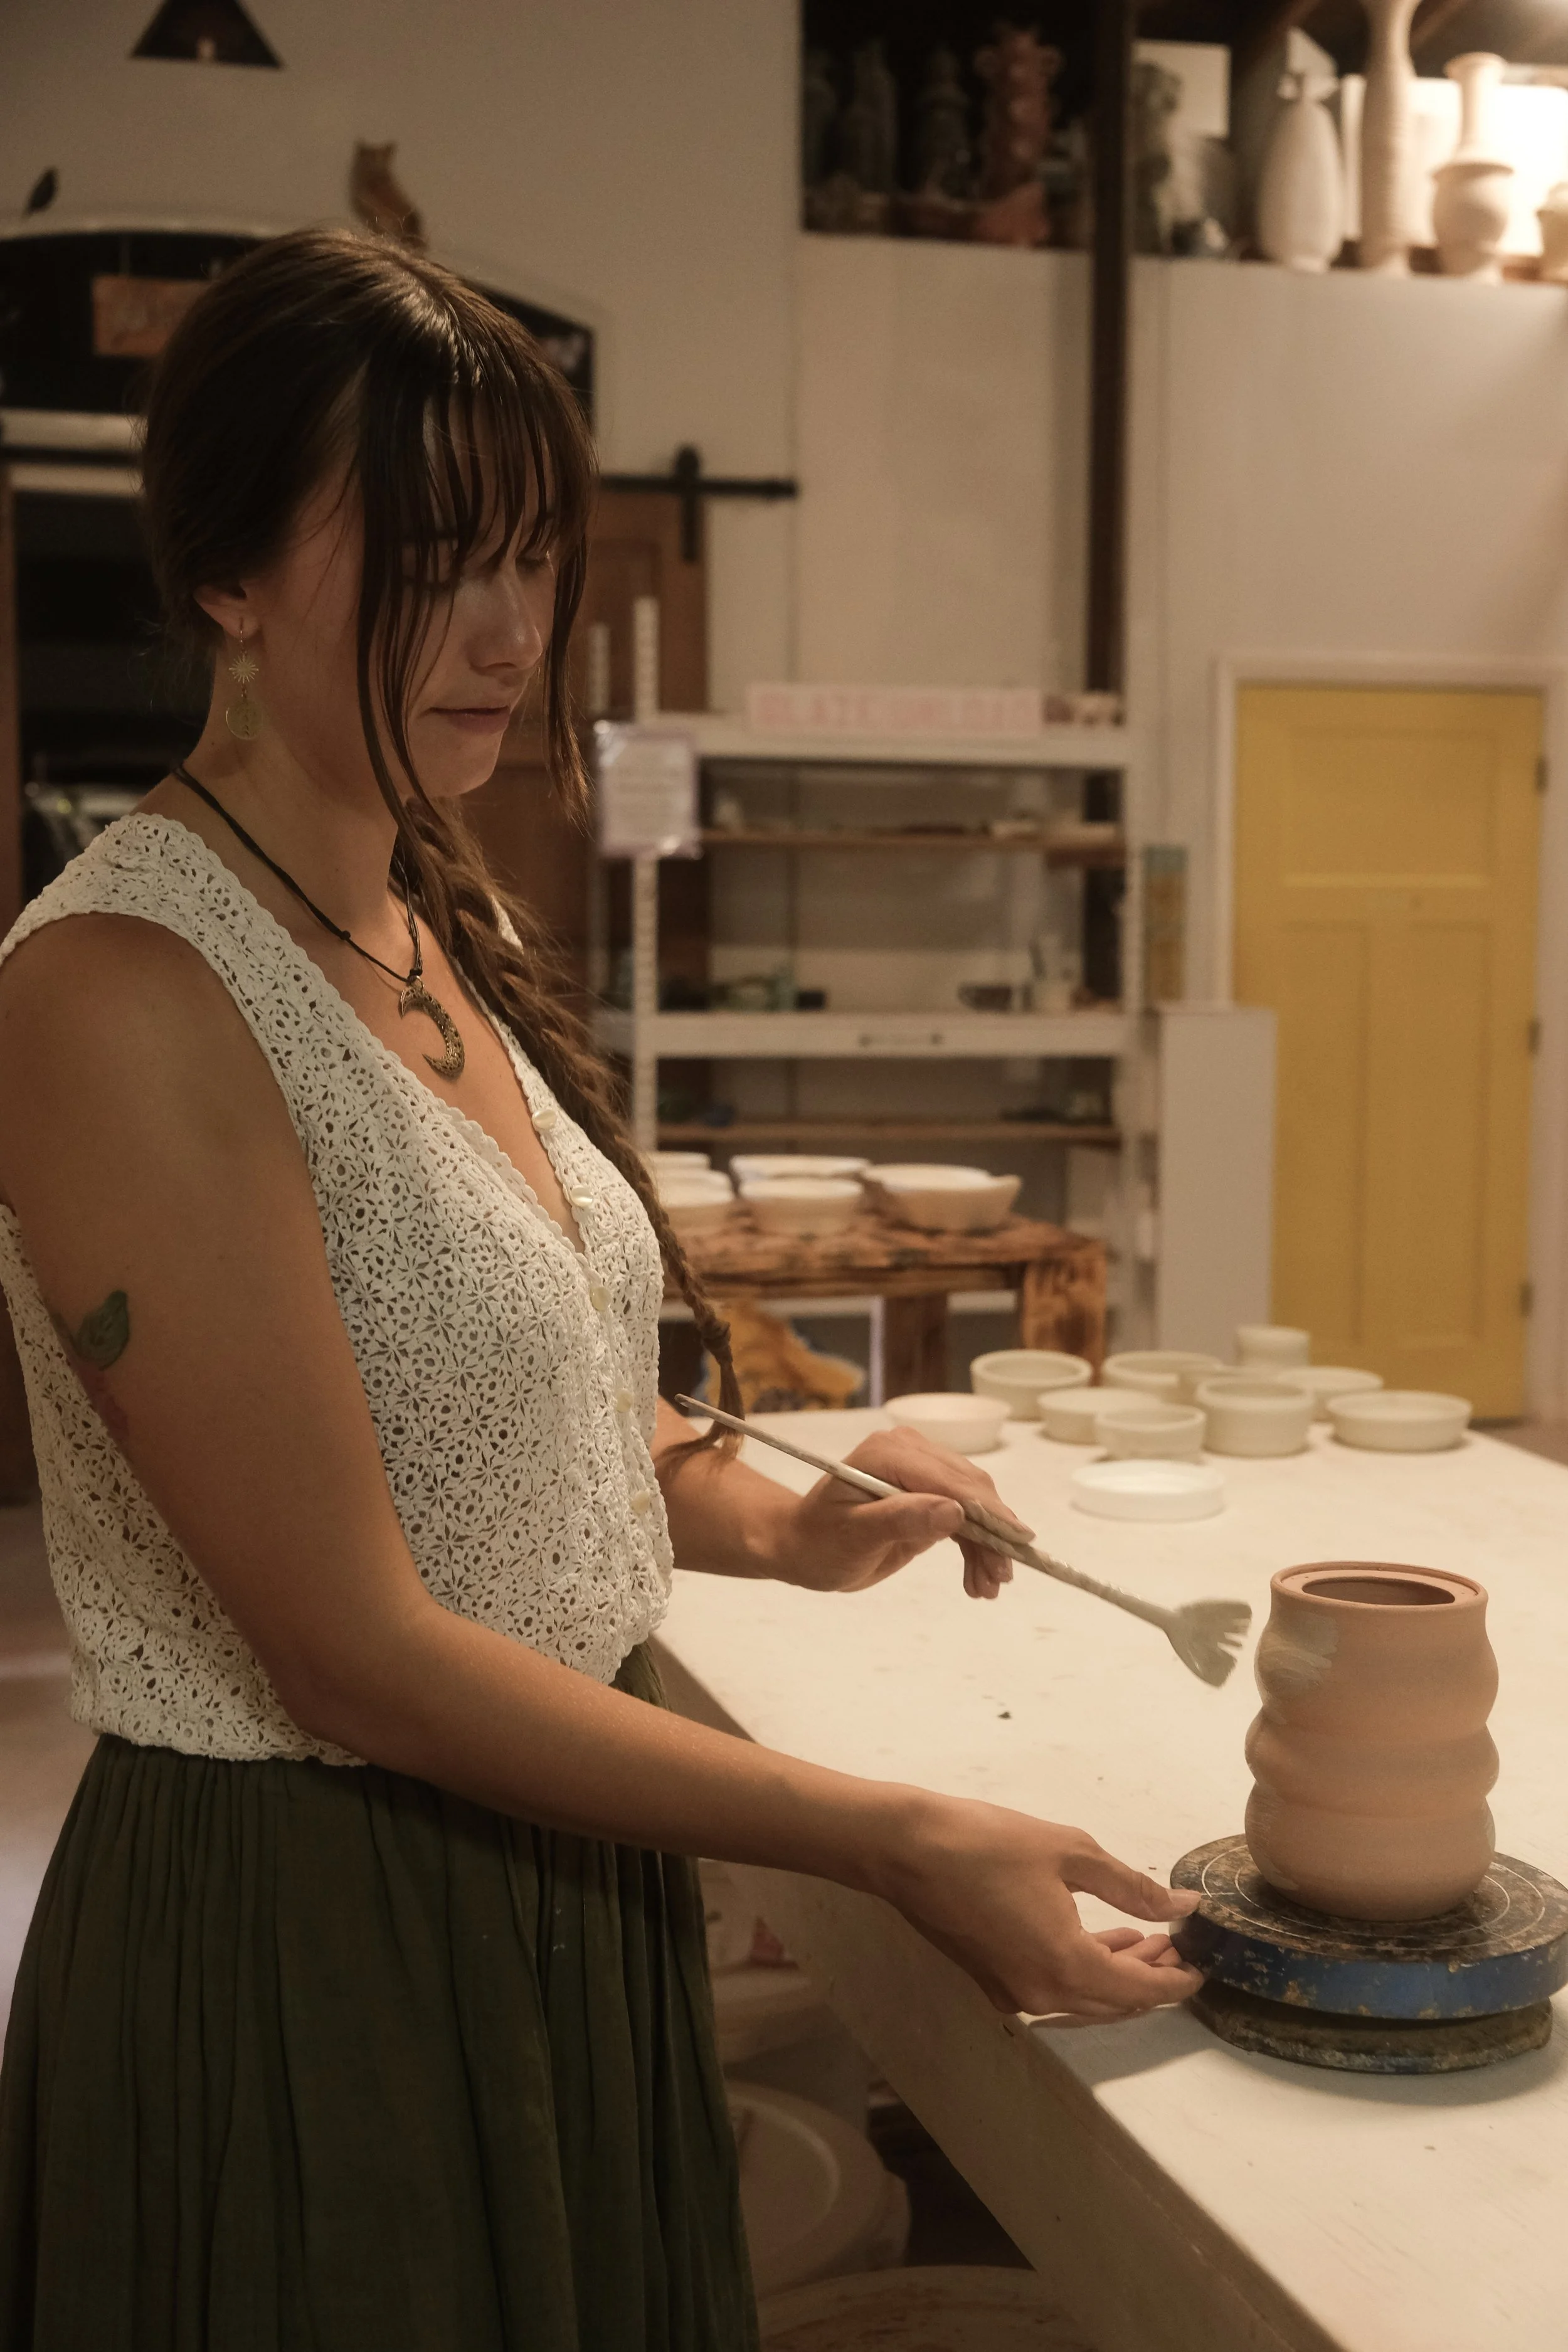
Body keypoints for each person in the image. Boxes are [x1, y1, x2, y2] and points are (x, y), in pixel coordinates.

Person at [0, 229, 1200, 2350]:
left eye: (534, 560)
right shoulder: (121, 988)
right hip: (322, 1933)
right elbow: (355, 1645)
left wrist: (794, 1516)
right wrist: (896, 1831)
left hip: (556, 1873)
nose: (505, 628)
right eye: (433, 556)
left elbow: (525, 1417)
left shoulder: (417, 918)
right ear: (226, 575)